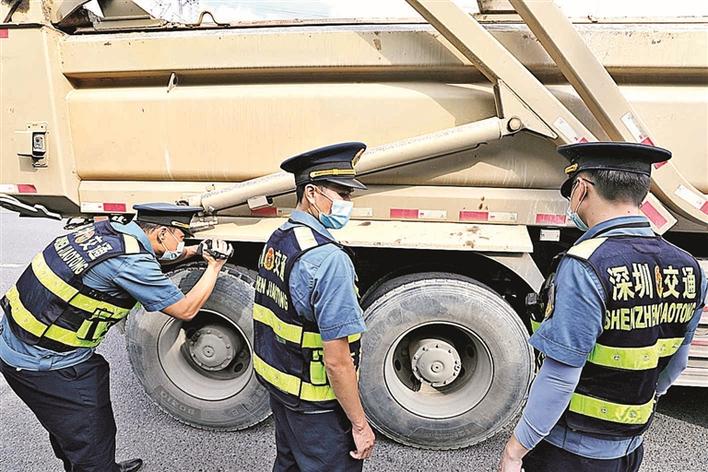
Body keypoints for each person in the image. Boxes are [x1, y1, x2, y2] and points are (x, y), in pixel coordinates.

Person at [499, 142, 707, 472]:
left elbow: (560, 375)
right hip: (629, 448)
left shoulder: (587, 265)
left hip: (569, 451)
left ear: (581, 189)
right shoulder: (688, 266)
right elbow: (677, 363)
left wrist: (515, 450)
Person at [0, 202, 233, 472]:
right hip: (48, 366)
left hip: (22, 347)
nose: (182, 242)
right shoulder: (130, 263)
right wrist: (214, 266)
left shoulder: (105, 233)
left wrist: (195, 251)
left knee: (70, 430)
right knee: (90, 439)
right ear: (160, 233)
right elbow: (186, 309)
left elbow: (151, 256)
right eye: (180, 236)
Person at [253, 142, 375, 472]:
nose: (348, 204)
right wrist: (360, 425)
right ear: (311, 192)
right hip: (317, 402)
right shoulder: (328, 260)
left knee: (290, 464)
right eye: (342, 194)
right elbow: (337, 361)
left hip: (284, 391)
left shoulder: (280, 237)